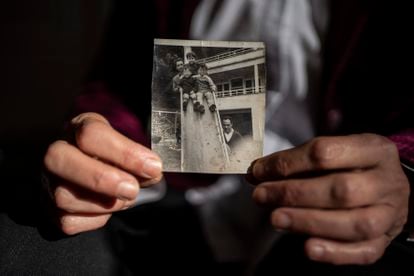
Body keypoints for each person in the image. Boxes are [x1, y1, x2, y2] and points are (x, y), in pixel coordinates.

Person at [2, 1, 413, 275]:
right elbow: (119, 83)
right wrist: (102, 139)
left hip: (336, 213)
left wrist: (408, 176)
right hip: (171, 198)